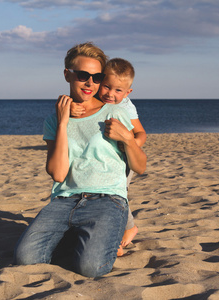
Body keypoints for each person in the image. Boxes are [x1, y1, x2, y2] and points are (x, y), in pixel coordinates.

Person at [14, 42, 147, 278]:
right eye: (83, 75)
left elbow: (140, 166)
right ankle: (80, 236)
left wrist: (127, 139)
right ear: (67, 74)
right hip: (65, 199)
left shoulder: (115, 112)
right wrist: (63, 122)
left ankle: (93, 236)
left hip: (107, 200)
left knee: (89, 268)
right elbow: (57, 174)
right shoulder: (54, 119)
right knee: (26, 259)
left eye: (97, 77)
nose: (90, 83)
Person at [71, 58, 146, 256]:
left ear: (128, 92)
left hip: (124, 159)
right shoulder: (94, 101)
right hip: (105, 159)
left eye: (118, 91)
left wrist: (128, 144)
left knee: (118, 192)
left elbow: (141, 133)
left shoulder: (126, 107)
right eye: (106, 87)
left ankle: (125, 229)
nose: (110, 94)